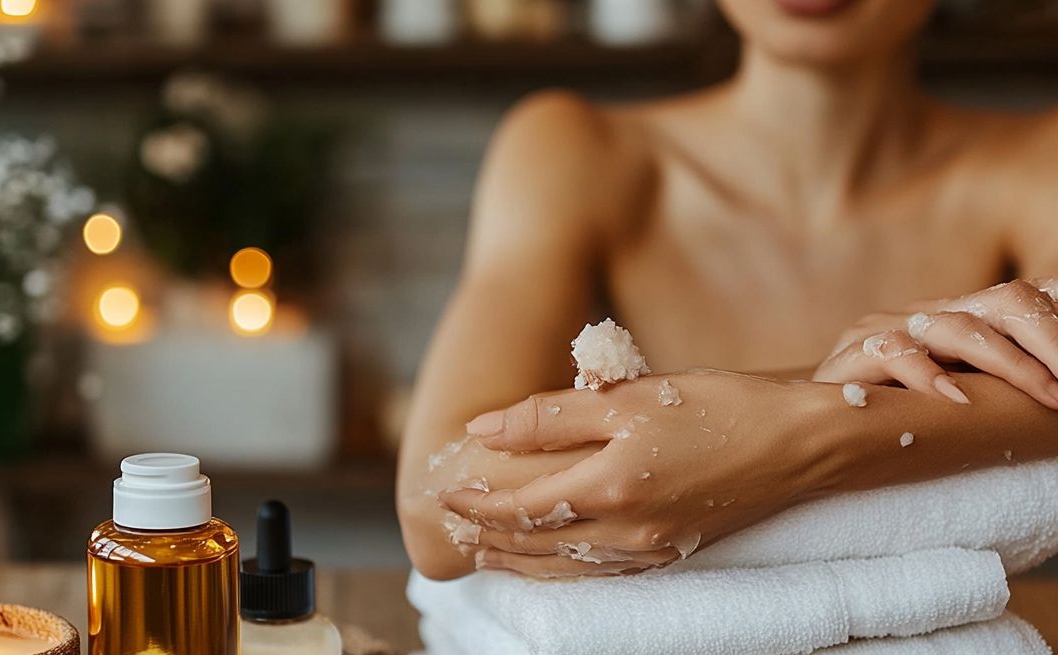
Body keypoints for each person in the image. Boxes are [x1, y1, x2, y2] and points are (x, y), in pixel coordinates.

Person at [396, 0, 1058, 581]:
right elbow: (434, 499)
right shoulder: (577, 149)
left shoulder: (1038, 158)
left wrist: (798, 433)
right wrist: (825, 404)